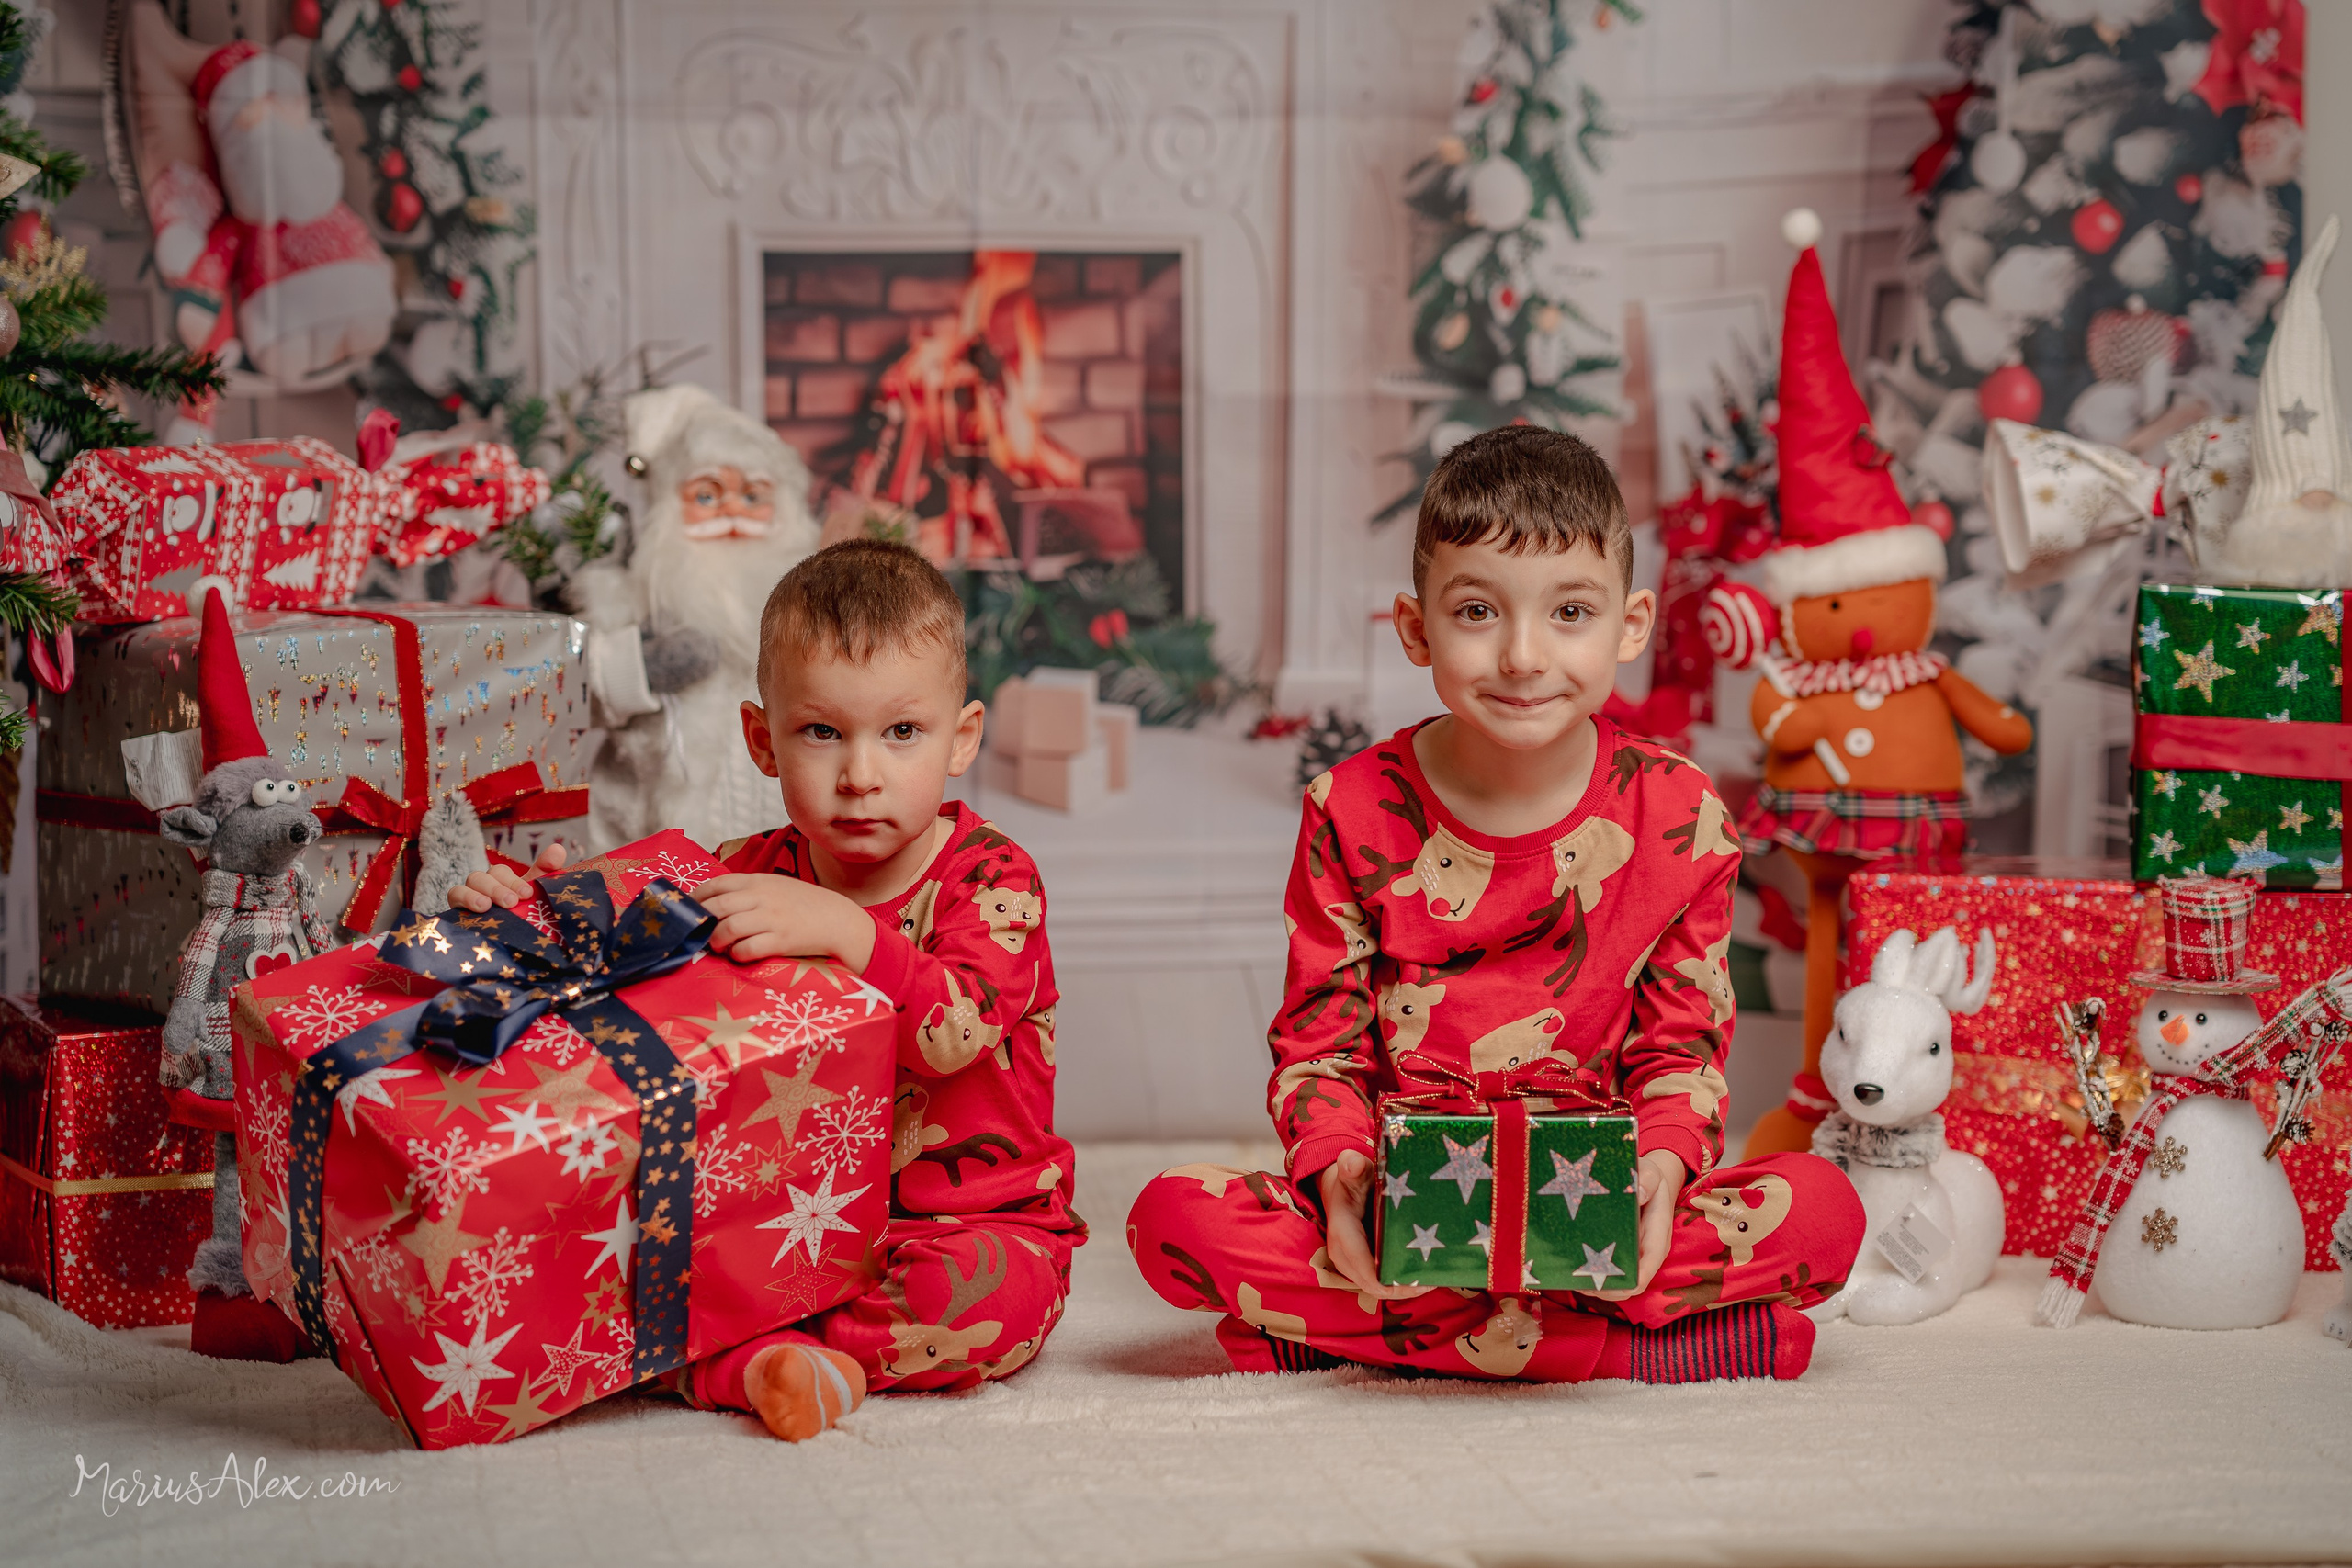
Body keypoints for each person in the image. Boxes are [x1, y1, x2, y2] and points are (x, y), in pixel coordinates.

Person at [1127, 426, 1862, 1382]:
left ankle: (1345, 1332)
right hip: (1412, 1196)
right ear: (1416, 627)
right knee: (1169, 1216)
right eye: (1477, 610)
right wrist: (1340, 1180)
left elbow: (1680, 1047)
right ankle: (1622, 1351)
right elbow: (1322, 1045)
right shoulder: (1347, 807)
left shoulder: (1681, 813)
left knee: (1826, 1210)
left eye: (1570, 612)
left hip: (1592, 1204)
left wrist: (1660, 1171)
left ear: (1629, 627)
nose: (1522, 655)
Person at [454, 540, 1080, 1439]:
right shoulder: (747, 873)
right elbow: (626, 960)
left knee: (990, 1301)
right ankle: (756, 1354)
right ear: (762, 740)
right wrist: (532, 908)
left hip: (960, 1223)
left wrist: (849, 932)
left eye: (901, 733)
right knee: (614, 1258)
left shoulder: (993, 880)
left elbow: (957, 1033)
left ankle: (730, 1361)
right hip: (774, 1217)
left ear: (961, 739)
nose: (861, 774)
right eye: (822, 732)